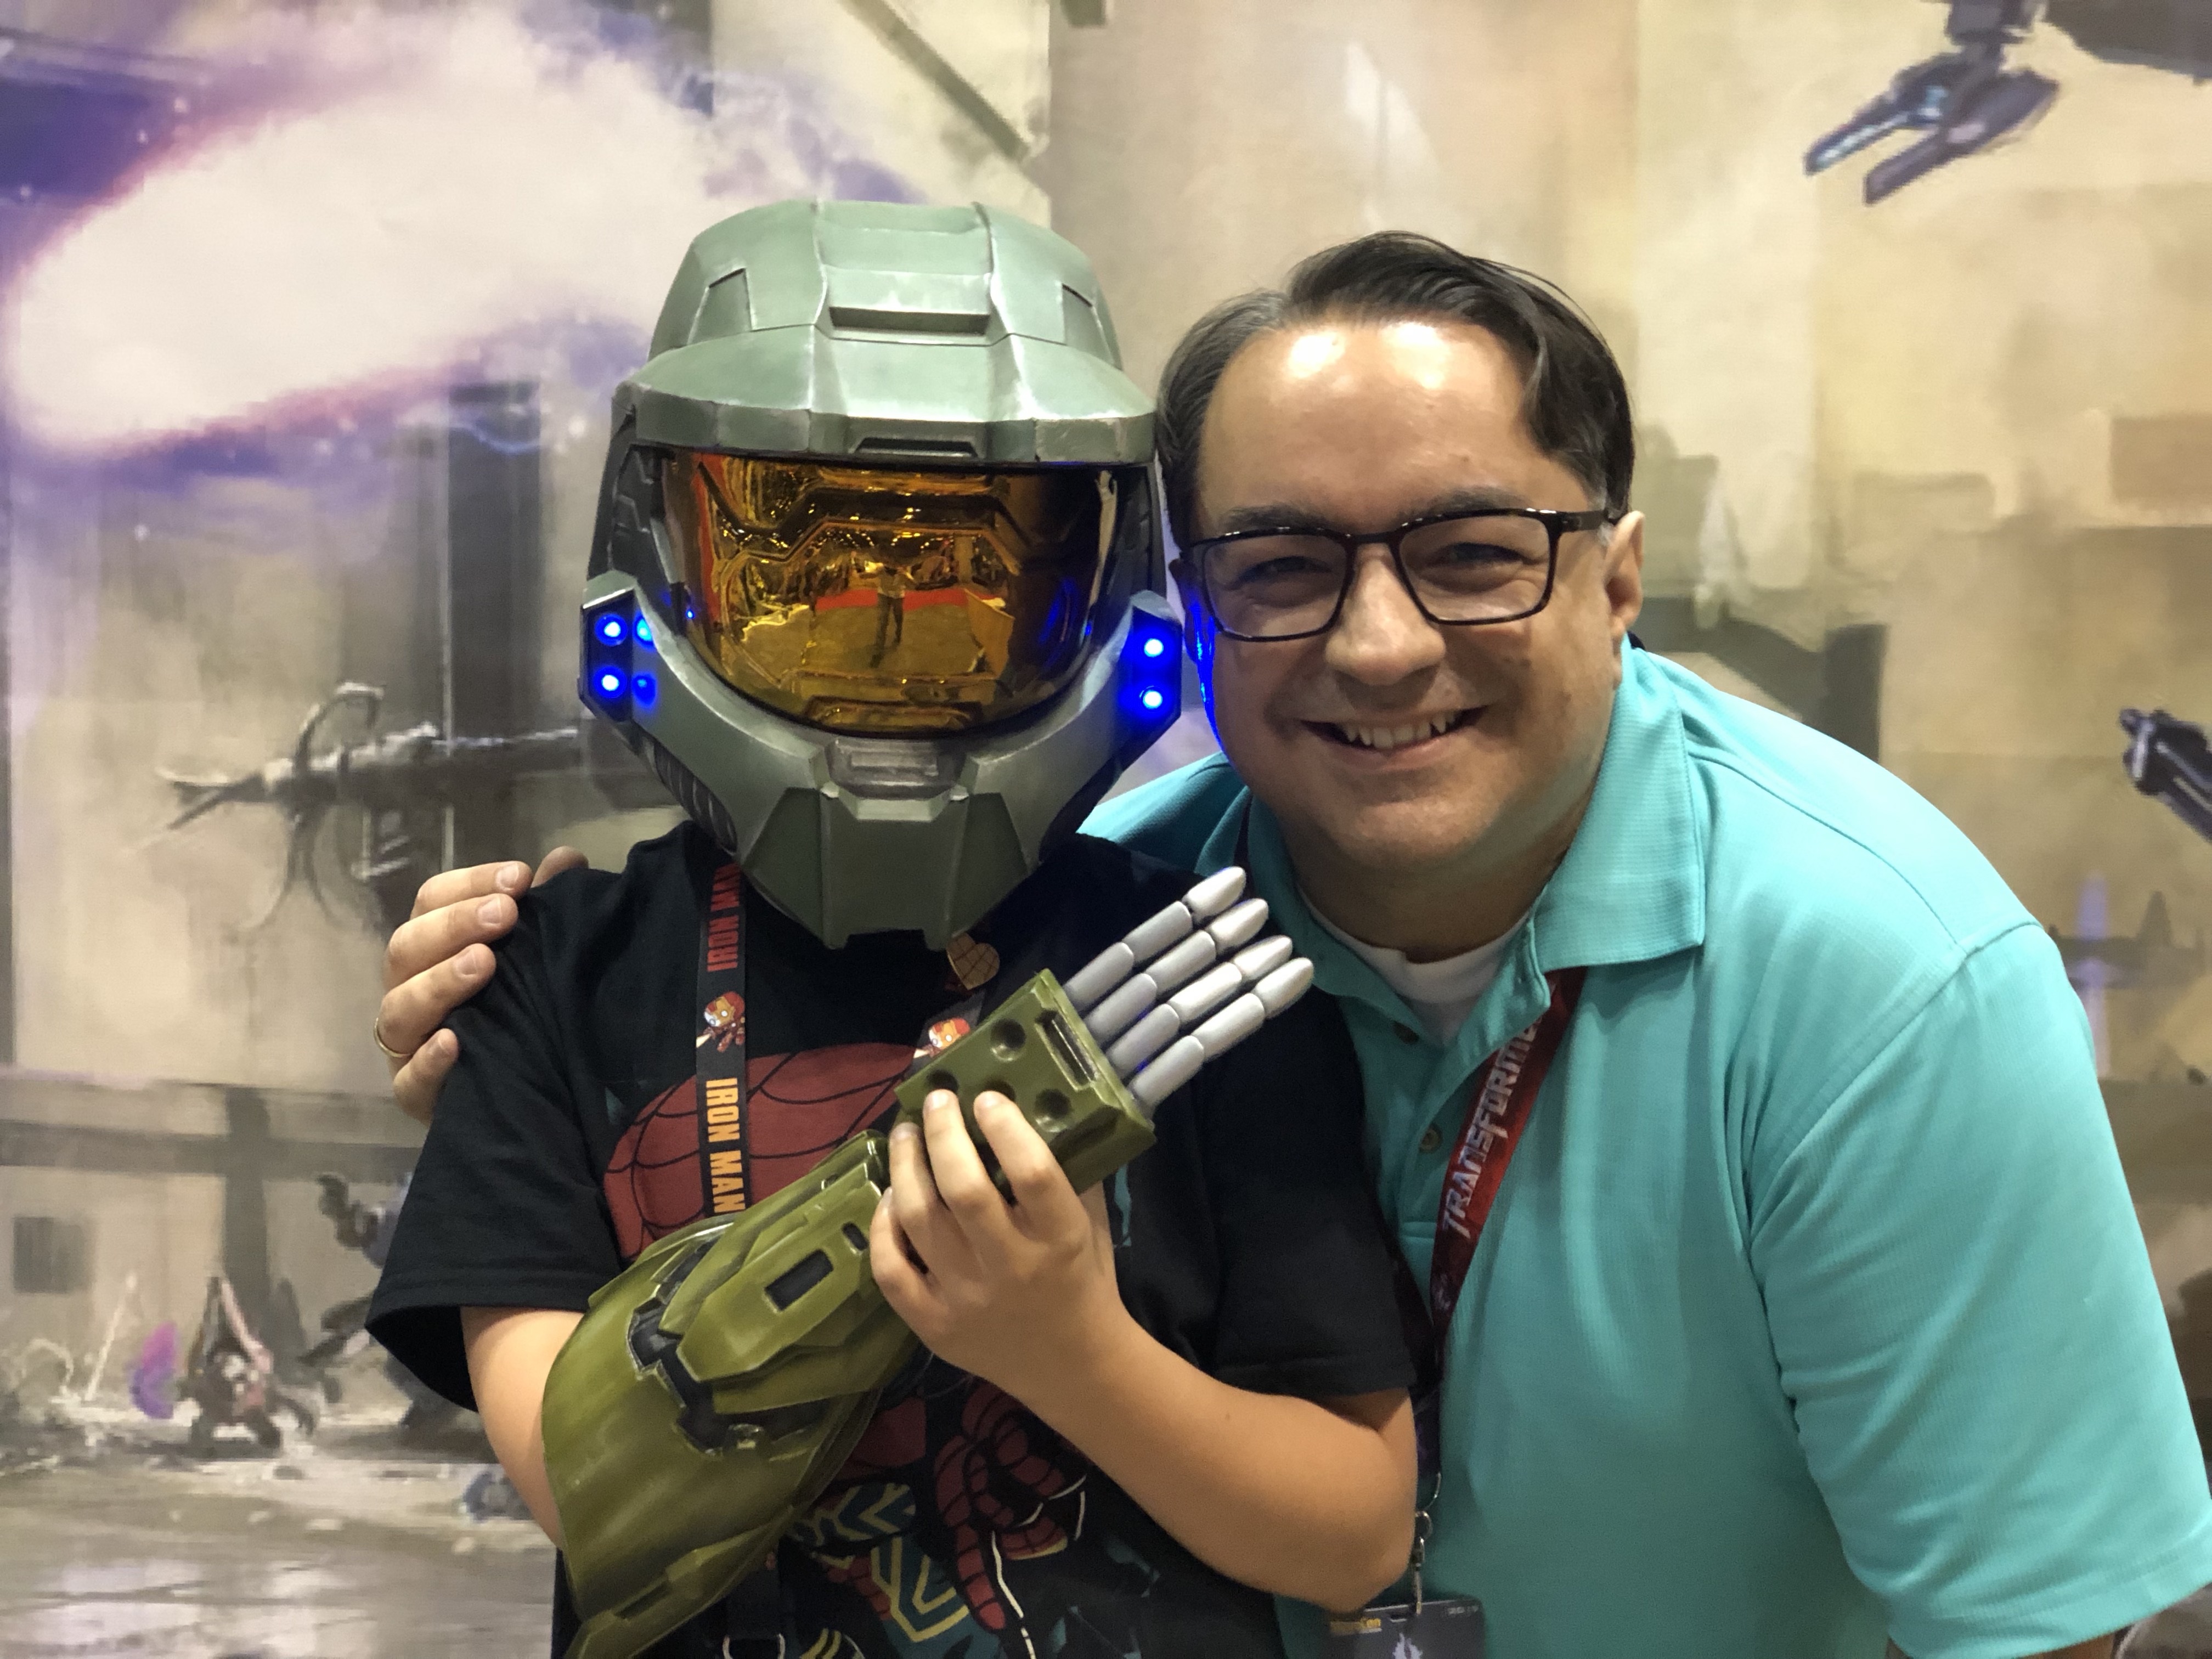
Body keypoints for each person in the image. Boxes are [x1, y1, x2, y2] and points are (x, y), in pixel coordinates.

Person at [386, 228, 2212, 1659]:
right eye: (1279, 568)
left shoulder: (1882, 982)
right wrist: (531, 1021)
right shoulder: (1135, 910)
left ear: (1619, 577)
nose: (1381, 644)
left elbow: (2041, 1629)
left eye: (1475, 553)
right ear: (1188, 605)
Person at [365, 199, 1418, 1659]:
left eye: (970, 578)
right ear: (670, 550)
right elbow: (592, 1491)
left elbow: (1356, 1530)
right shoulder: (556, 970)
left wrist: (1073, 1352)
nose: (885, 620)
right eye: (802, 574)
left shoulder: (1206, 974)